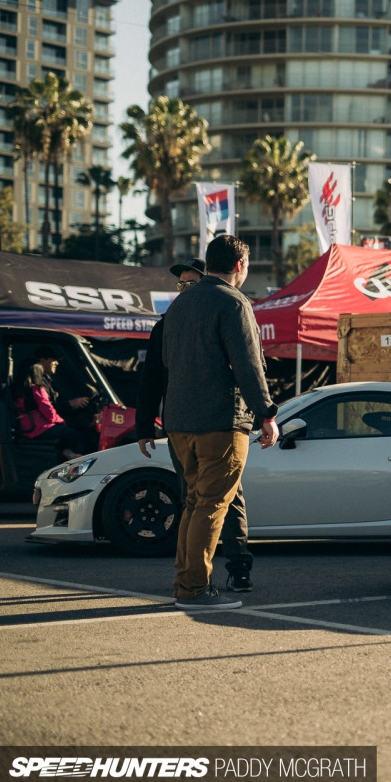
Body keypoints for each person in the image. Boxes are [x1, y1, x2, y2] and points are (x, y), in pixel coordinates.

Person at [161, 235, 278, 611]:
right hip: (219, 420)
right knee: (212, 505)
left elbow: (167, 363)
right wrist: (267, 413)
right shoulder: (234, 302)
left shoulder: (180, 304)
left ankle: (186, 582)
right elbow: (248, 364)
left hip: (179, 421)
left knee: (194, 502)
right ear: (240, 266)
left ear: (208, 262)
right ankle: (194, 588)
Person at [137, 256, 255, 594]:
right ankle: (192, 580)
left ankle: (236, 566)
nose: (185, 289)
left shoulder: (225, 310)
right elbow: (151, 379)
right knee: (197, 499)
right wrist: (144, 425)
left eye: (191, 282)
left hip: (220, 420)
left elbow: (247, 365)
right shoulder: (167, 323)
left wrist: (261, 413)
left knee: (224, 500)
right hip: (185, 425)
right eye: (181, 284)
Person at [13, 361, 90, 460]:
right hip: (40, 428)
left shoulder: (16, 390)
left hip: (25, 430)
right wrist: (62, 422)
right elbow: (49, 412)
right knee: (80, 438)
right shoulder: (36, 389)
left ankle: (66, 452)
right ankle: (75, 464)